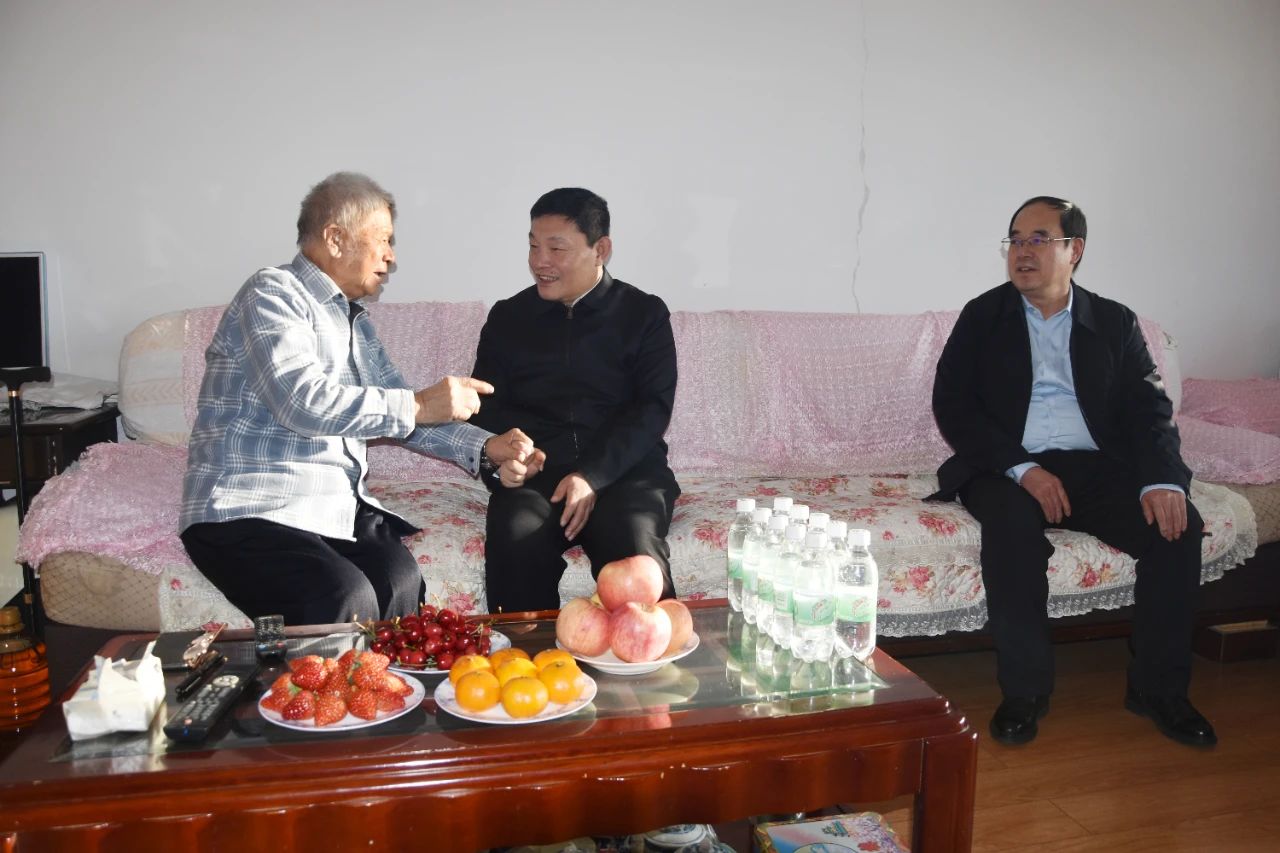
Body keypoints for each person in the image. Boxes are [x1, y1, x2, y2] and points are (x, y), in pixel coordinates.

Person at [180, 172, 541, 626]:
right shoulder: (271, 293)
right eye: (383, 239)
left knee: (399, 581)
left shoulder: (356, 323)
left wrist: (486, 446)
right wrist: (418, 404)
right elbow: (301, 402)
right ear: (335, 238)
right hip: (250, 506)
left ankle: (388, 677)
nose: (391, 256)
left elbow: (403, 411)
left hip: (329, 507)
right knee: (342, 596)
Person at [929, 196, 1216, 747]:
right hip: (1006, 466)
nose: (1022, 251)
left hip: (1096, 466)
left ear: (1074, 250)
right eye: (1015, 240)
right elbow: (954, 406)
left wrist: (1162, 481)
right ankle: (1025, 692)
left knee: (1178, 529)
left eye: (1039, 239)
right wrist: (1022, 468)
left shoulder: (1113, 321)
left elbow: (1150, 411)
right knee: (1012, 530)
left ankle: (1159, 690)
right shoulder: (982, 316)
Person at [470, 187, 680, 613]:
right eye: (533, 245)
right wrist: (506, 458)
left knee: (635, 557)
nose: (539, 261)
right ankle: (527, 655)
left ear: (600, 249)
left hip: (625, 473)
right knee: (515, 542)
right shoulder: (508, 318)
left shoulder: (643, 314)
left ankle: (648, 657)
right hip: (538, 477)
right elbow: (486, 408)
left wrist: (592, 475)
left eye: (556, 248)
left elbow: (651, 409)